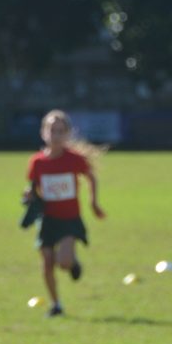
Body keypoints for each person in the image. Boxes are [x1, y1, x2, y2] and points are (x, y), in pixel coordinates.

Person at [23, 110, 105, 317]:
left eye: (61, 131)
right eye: (52, 130)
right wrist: (29, 196)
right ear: (43, 132)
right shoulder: (37, 162)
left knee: (64, 262)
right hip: (47, 219)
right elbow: (33, 186)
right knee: (47, 262)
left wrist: (93, 202)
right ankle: (56, 304)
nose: (56, 135)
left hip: (69, 220)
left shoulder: (74, 160)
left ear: (68, 134)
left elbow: (91, 178)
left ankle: (73, 263)